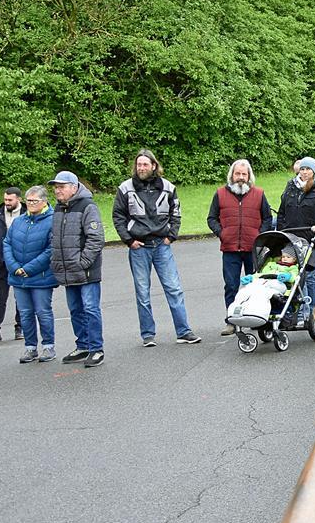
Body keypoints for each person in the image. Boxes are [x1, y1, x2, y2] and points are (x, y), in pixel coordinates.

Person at [114, 149, 201, 346]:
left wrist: (171, 236)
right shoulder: (125, 188)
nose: (141, 168)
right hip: (139, 247)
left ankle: (184, 331)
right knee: (142, 292)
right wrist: (129, 240)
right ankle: (148, 335)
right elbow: (118, 217)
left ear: (154, 166)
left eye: (145, 164)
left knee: (174, 288)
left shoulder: (168, 187)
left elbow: (176, 213)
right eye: (139, 164)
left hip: (162, 245)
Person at [208, 158, 273, 335]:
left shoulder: (259, 194)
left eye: (244, 174)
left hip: (253, 249)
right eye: (238, 174)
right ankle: (231, 321)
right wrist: (222, 234)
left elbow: (267, 218)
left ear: (249, 176)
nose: (241, 177)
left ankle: (256, 317)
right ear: (232, 175)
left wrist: (259, 236)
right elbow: (211, 218)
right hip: (230, 250)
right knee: (231, 285)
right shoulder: (220, 194)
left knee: (256, 286)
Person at [48, 171, 105, 367]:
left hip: (86, 270)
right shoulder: (58, 209)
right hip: (67, 270)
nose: (57, 190)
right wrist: (55, 260)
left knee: (90, 308)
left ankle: (96, 349)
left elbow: (96, 238)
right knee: (75, 310)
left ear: (74, 187)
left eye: (61, 187)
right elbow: (53, 238)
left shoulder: (88, 206)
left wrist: (83, 262)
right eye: (56, 187)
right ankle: (83, 346)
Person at [3, 185, 58, 363]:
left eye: (35, 200)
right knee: (25, 313)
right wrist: (14, 267)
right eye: (29, 200)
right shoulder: (19, 221)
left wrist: (29, 269)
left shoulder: (52, 220)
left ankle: (48, 346)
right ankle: (30, 347)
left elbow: (51, 249)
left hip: (41, 277)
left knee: (43, 311)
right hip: (18, 277)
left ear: (44, 201)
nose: (31, 204)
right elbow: (7, 243)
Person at [277, 156, 315, 323]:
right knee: (296, 277)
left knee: (310, 276)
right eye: (302, 169)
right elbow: (281, 213)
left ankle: (312, 312)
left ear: (313, 171)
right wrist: (282, 232)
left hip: (312, 240)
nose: (305, 172)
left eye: (308, 169)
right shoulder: (290, 189)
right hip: (293, 239)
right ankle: (300, 310)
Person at [0, 187, 23, 342]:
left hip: (20, 263)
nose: (7, 203)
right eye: (5, 200)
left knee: (20, 298)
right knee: (0, 298)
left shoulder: (26, 214)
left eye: (10, 200)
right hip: (1, 264)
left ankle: (20, 327)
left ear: (19, 199)